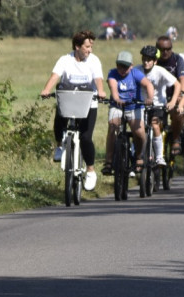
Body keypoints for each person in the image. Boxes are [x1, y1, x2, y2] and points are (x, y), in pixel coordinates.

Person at [40, 29, 106, 191]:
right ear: (77, 46)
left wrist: (101, 91)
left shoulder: (94, 60)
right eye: (87, 47)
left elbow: (97, 78)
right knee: (59, 118)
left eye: (91, 47)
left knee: (85, 137)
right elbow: (55, 75)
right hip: (70, 100)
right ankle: (60, 145)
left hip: (88, 104)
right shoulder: (65, 60)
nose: (90, 50)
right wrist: (46, 89)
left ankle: (90, 170)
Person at [105, 50, 154, 174]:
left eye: (125, 67)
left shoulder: (135, 73)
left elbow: (148, 85)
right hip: (118, 106)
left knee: (139, 132)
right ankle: (109, 161)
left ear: (131, 66)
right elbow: (113, 88)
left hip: (134, 106)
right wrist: (117, 99)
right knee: (112, 127)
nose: (122, 69)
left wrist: (149, 98)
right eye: (119, 66)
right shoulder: (112, 73)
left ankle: (139, 156)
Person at [140, 44, 182, 165]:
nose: (146, 62)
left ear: (155, 61)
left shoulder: (160, 71)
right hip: (141, 105)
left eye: (149, 60)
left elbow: (177, 85)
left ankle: (159, 156)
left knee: (155, 125)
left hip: (158, 105)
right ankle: (137, 154)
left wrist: (173, 101)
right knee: (138, 128)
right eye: (144, 59)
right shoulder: (137, 70)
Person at [155, 33, 184, 160]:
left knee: (178, 113)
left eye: (168, 49)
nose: (165, 52)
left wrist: (181, 95)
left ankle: (176, 138)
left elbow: (183, 79)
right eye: (162, 49)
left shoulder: (177, 59)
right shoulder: (153, 60)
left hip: (174, 95)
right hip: (158, 97)